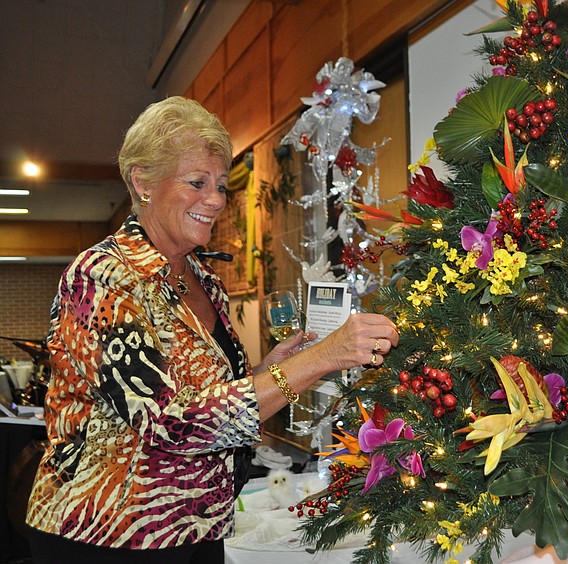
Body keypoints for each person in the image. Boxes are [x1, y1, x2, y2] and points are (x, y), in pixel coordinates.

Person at [25, 96, 398, 564]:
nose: (216, 200)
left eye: (221, 185)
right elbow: (171, 421)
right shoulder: (104, 277)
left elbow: (210, 398)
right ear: (143, 183)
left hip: (197, 525)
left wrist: (269, 370)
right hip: (111, 532)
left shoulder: (203, 281)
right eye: (197, 182)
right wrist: (320, 358)